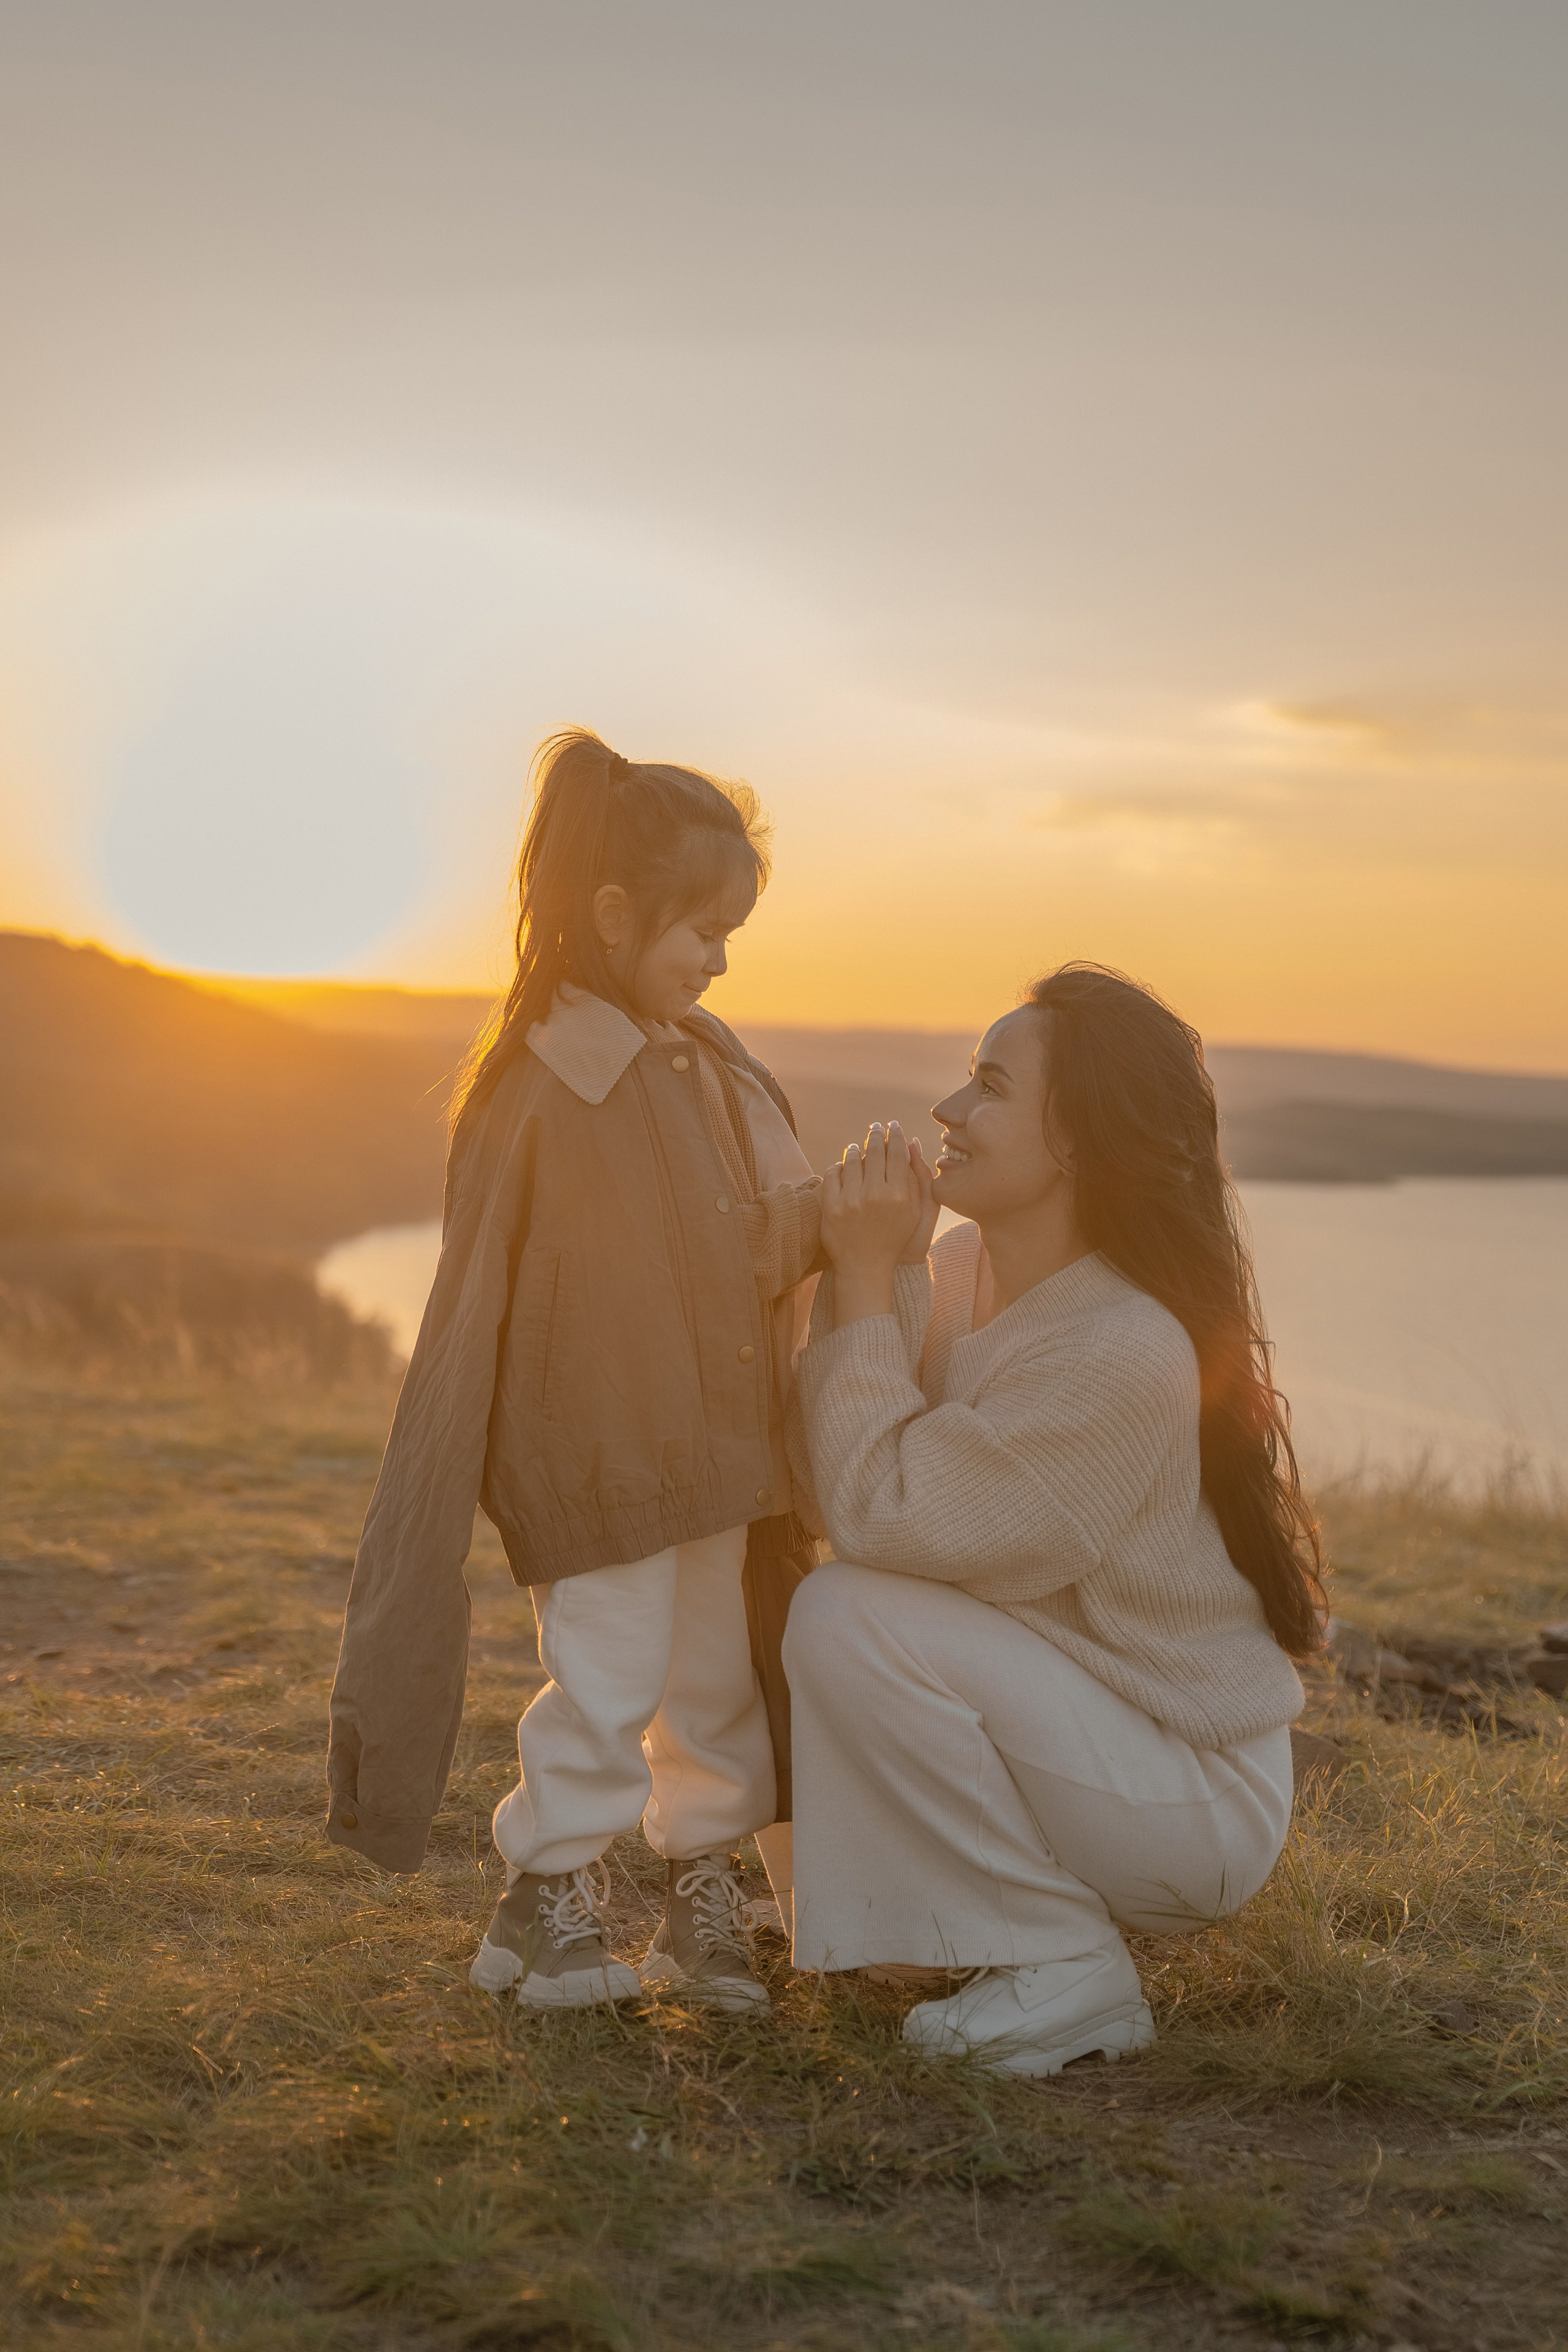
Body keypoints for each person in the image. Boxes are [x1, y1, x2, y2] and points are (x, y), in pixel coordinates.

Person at [326, 729, 821, 2012]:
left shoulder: (711, 1068)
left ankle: (700, 1890)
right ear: (612, 913)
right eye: (700, 933)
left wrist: (849, 1217)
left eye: (728, 940)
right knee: (603, 1681)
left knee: (711, 1688)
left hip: (719, 1452)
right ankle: (549, 1889)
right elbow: (474, 1292)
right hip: (591, 1452)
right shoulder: (541, 1084)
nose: (717, 962)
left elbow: (750, 1245)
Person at [783, 962, 1322, 2076]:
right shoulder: (963, 1264)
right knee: (843, 1605)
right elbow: (829, 1472)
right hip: (1088, 1733)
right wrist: (866, 1280)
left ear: (1076, 1142)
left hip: (1190, 1800)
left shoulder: (1124, 1346)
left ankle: (1064, 1964)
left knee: (847, 1611)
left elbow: (883, 1513)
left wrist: (865, 1279)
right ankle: (952, 1931)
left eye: (988, 1085)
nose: (948, 1111)